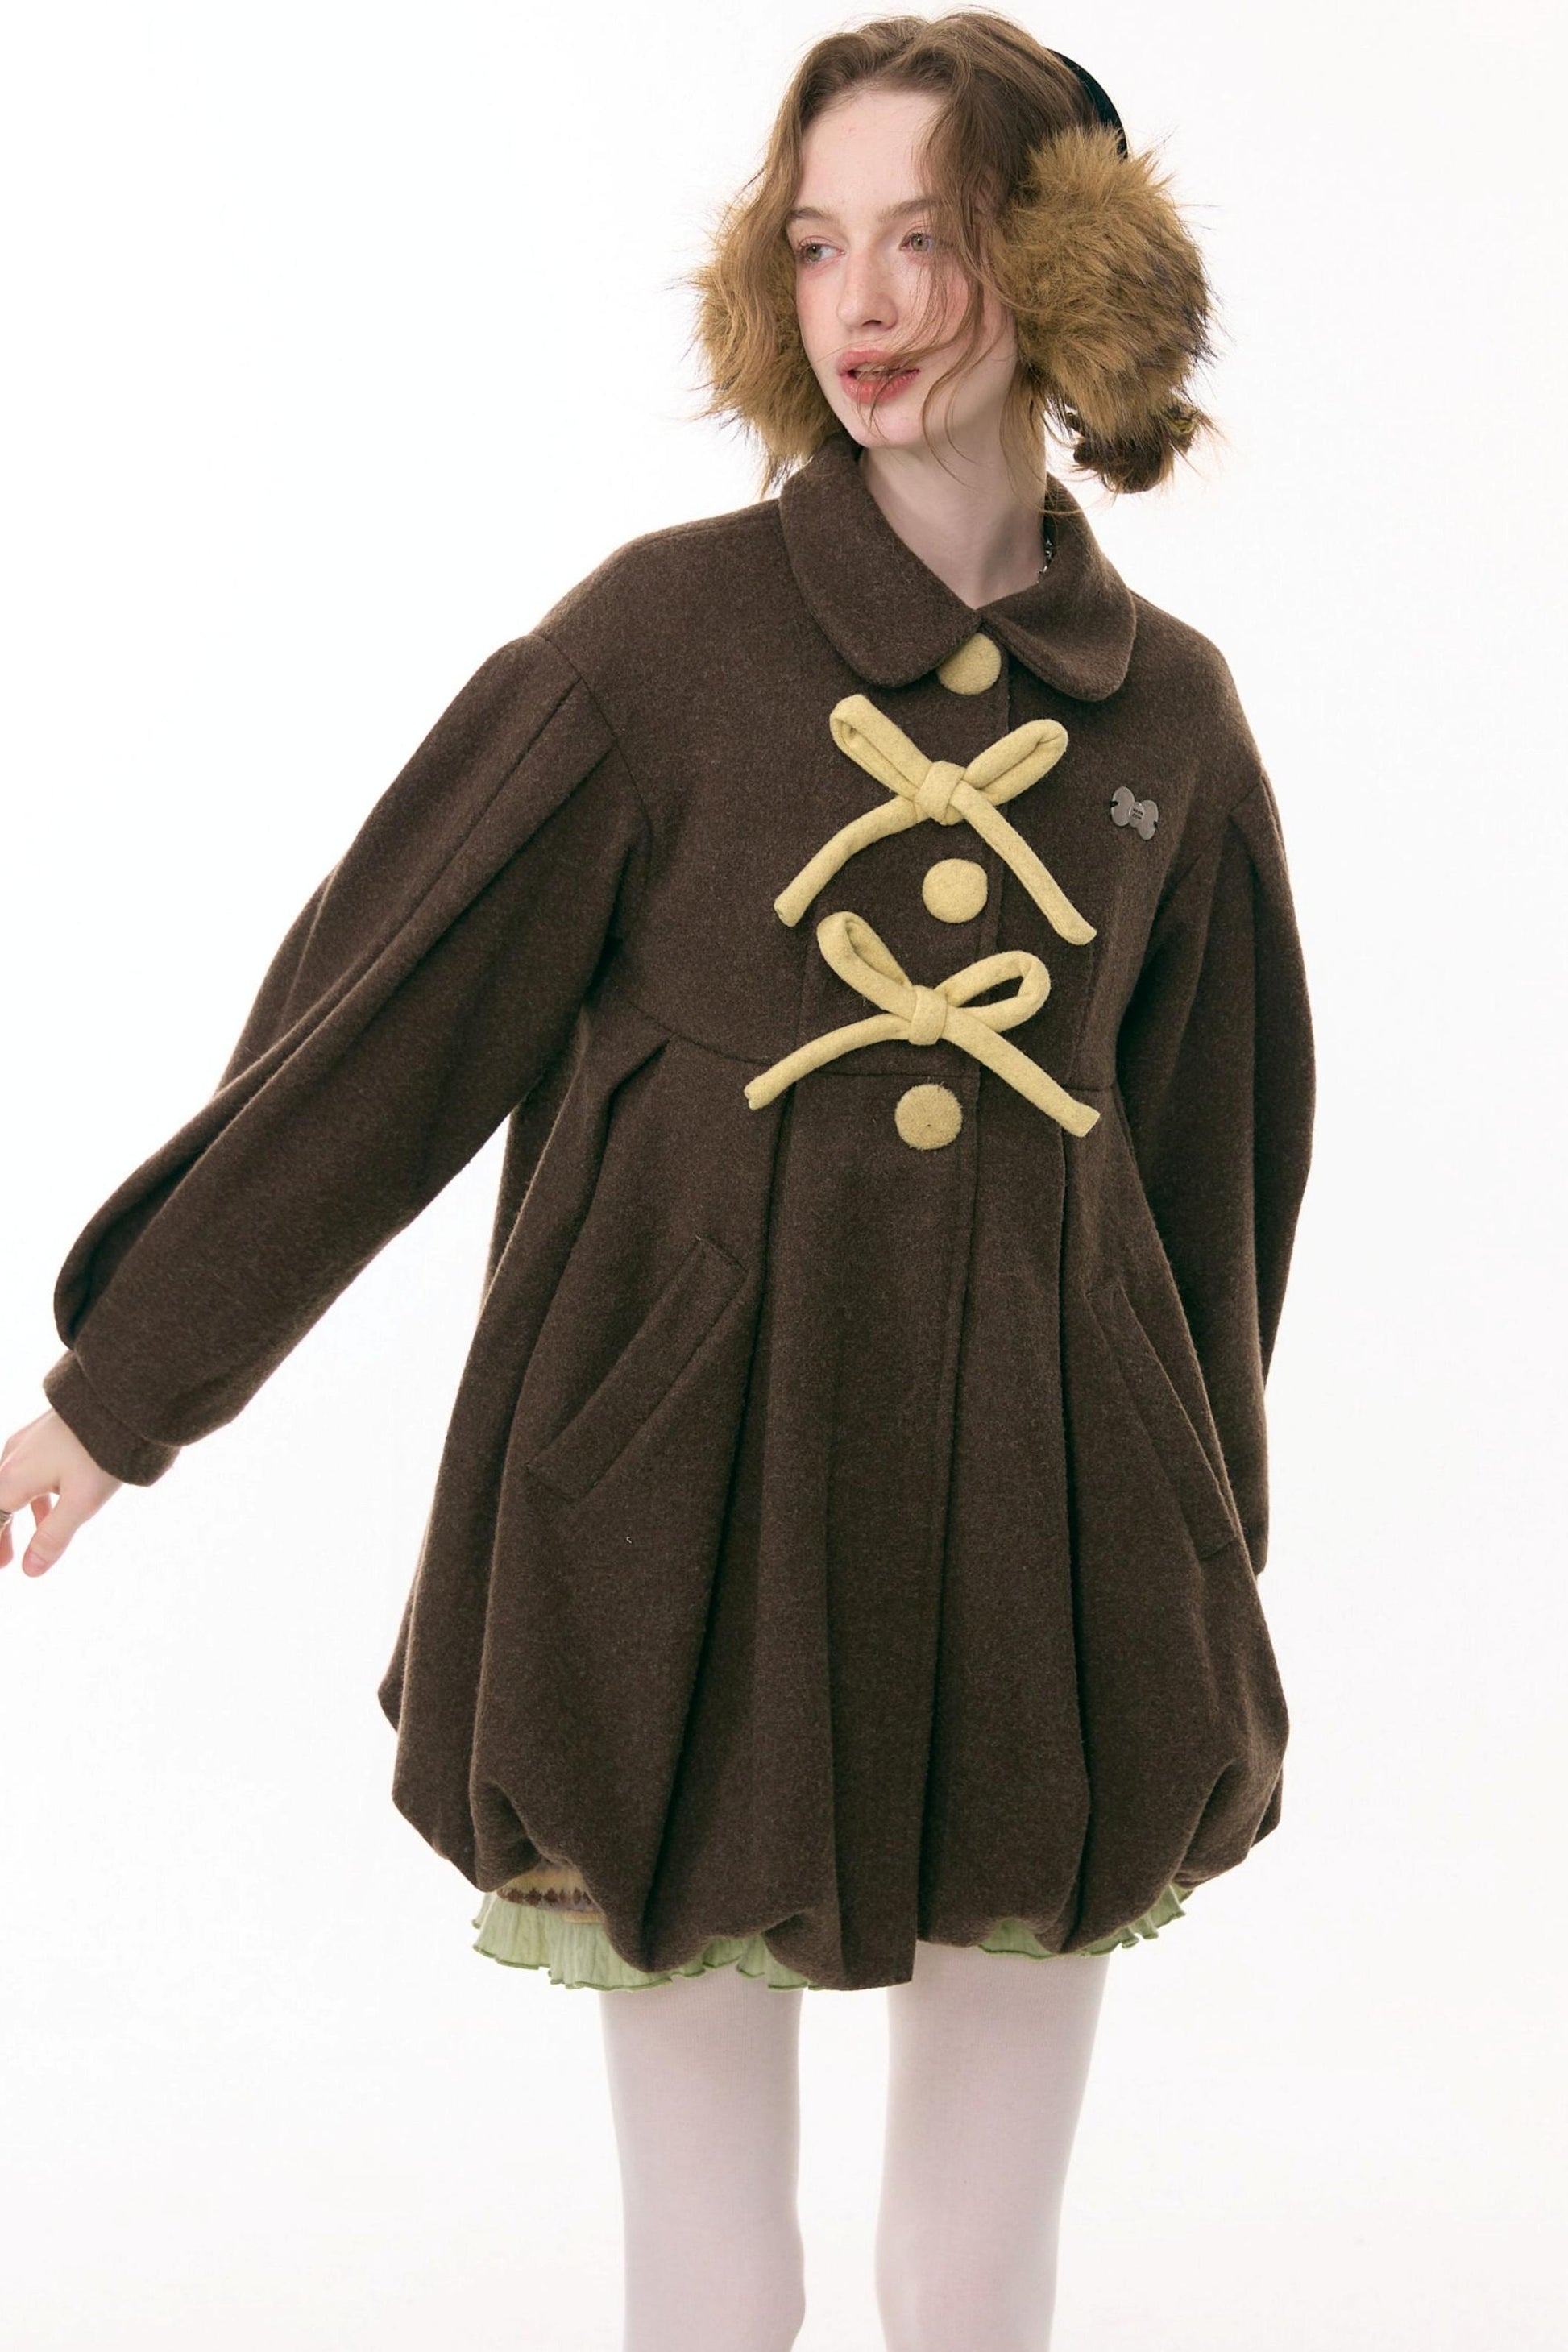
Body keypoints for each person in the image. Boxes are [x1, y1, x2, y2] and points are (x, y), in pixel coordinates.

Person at [0, 14, 1315, 2347]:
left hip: (1052, 1527)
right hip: (684, 1507)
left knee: (973, 2272)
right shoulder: (655, 641)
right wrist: (123, 1395)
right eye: (815, 244)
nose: (863, 304)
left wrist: (1201, 1561)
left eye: (927, 239)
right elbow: (385, 1030)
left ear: (1063, 265)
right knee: (715, 2280)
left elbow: (1219, 1182)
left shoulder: (1177, 720)